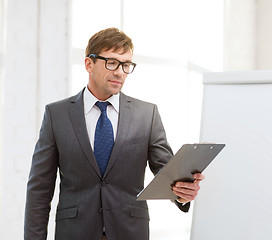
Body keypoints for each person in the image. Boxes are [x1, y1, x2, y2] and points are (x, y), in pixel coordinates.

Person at [24, 27, 204, 240]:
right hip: (74, 233)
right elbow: (39, 190)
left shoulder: (147, 114)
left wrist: (182, 192)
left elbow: (166, 171)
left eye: (126, 65)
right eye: (112, 62)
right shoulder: (57, 115)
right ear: (88, 64)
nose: (120, 71)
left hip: (129, 231)